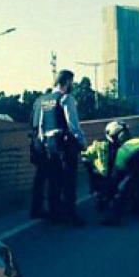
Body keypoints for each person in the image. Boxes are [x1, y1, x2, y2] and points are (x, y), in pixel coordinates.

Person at [33, 70, 88, 225]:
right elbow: (73, 124)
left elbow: (40, 127)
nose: (72, 85)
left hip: (49, 145)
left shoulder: (45, 100)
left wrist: (44, 143)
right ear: (66, 81)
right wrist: (82, 142)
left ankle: (55, 214)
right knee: (69, 180)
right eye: (71, 82)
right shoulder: (66, 98)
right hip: (64, 142)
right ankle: (71, 215)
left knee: (54, 180)